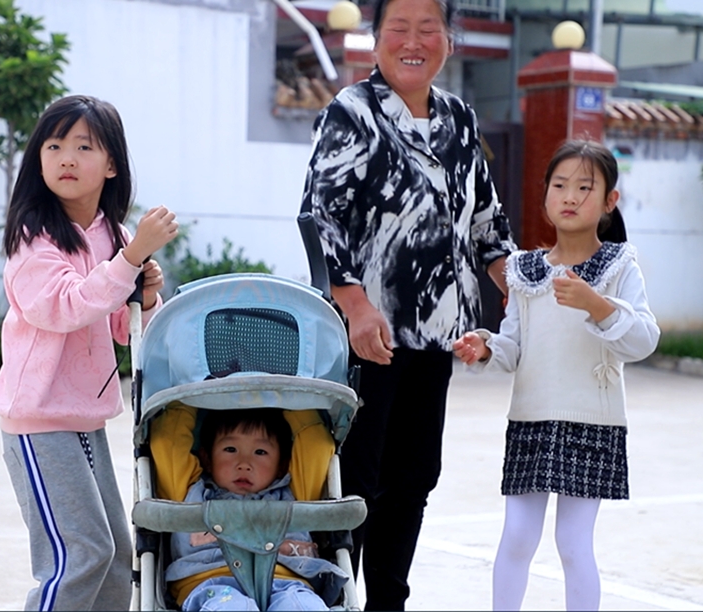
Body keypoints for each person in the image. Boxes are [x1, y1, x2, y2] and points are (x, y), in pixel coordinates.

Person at [299, 0, 516, 608]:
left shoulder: (459, 118)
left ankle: (388, 602)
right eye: (399, 28)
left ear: (449, 40)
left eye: (429, 29)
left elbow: (487, 223)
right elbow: (320, 216)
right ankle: (330, 599)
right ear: (376, 41)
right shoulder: (352, 112)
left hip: (437, 335)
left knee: (415, 477)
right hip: (367, 339)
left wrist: (520, 285)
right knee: (354, 480)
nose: (413, 41)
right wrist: (354, 304)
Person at [452, 139, 660, 610]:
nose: (570, 197)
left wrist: (597, 305)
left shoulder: (620, 266)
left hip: (593, 421)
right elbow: (513, 348)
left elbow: (644, 340)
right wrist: (485, 347)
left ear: (609, 201)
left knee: (573, 542)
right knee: (517, 535)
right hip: (530, 418)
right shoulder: (523, 270)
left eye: (585, 187)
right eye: (560, 185)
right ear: (544, 194)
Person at [0, 94, 179, 611]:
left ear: (111, 164)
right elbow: (64, 306)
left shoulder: (113, 235)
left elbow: (122, 328)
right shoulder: (32, 238)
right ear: (38, 160)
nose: (66, 158)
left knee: (115, 558)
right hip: (39, 421)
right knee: (80, 557)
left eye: (83, 146)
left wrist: (145, 295)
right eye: (54, 146)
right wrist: (130, 259)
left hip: (85, 418)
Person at [151, 406, 349, 611]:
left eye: (260, 452)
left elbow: (315, 443)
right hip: (210, 582)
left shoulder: (295, 492)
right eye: (230, 449)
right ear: (207, 458)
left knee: (302, 607)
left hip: (288, 582)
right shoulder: (192, 492)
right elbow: (167, 443)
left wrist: (286, 396)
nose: (244, 463)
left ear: (282, 464)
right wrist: (187, 400)